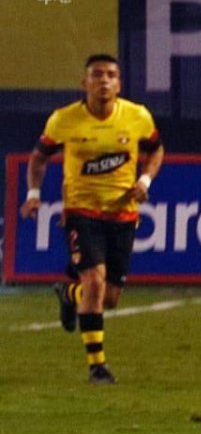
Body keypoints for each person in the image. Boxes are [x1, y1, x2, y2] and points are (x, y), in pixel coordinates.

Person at [19, 53, 165, 384]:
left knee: (109, 298)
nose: (104, 81)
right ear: (84, 83)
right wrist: (33, 194)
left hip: (123, 214)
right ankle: (97, 367)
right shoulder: (64, 120)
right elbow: (39, 157)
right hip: (82, 212)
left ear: (119, 83)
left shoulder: (137, 116)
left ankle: (68, 294)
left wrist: (145, 180)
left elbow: (156, 148)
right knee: (95, 283)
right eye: (96, 75)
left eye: (111, 75)